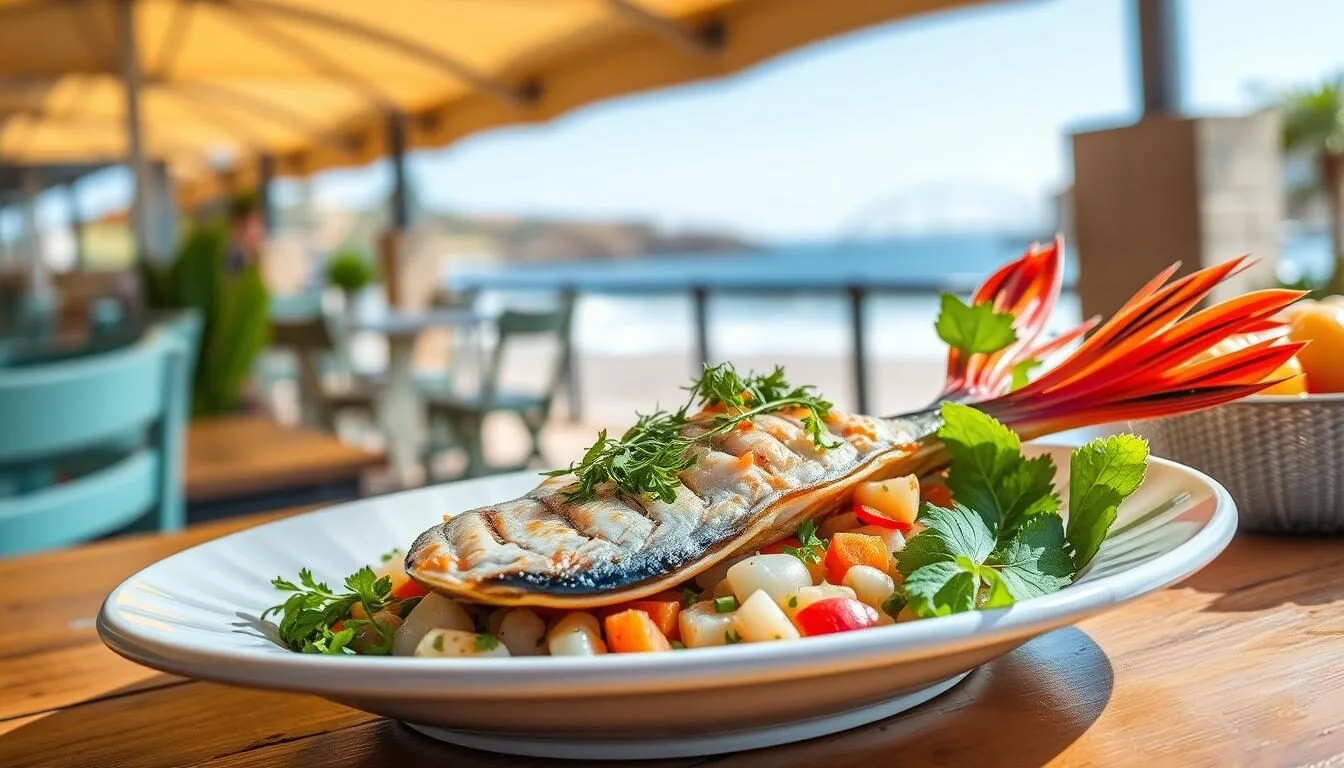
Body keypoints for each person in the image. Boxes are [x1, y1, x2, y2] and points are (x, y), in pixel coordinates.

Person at [225, 190, 266, 275]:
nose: (259, 231)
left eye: (260, 225)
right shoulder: (232, 260)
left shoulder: (256, 256)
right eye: (254, 225)